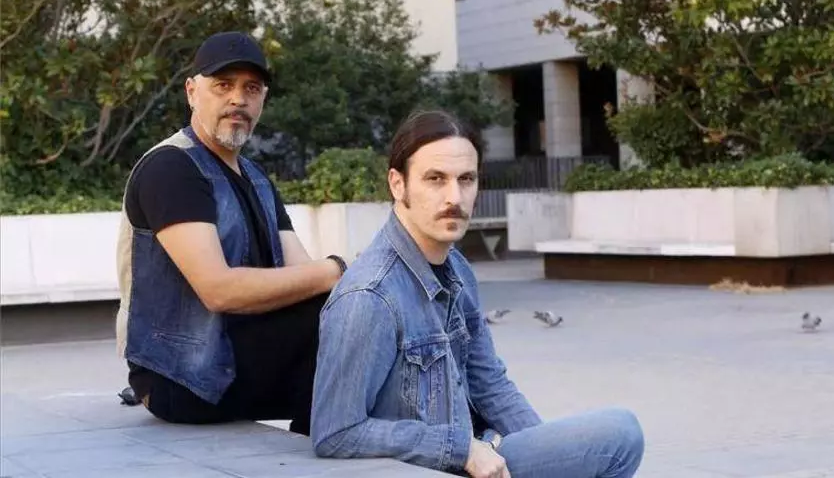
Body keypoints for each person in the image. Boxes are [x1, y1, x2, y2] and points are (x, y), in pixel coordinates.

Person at [309, 109, 645, 477]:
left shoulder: (457, 269)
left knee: (604, 443)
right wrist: (460, 449)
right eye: (435, 179)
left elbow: (491, 385)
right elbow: (335, 432)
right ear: (397, 183)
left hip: (476, 458)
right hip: (428, 468)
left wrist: (549, 449)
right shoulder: (369, 296)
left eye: (466, 179)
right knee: (620, 434)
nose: (454, 197)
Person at [114, 31, 346, 435]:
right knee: (337, 321)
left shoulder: (256, 178)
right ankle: (331, 435)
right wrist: (337, 269)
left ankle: (328, 431)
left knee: (349, 315)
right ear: (192, 92)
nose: (238, 99)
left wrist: (348, 286)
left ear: (263, 99)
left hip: (236, 353)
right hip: (180, 378)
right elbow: (218, 290)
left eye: (251, 88)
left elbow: (302, 274)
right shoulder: (171, 169)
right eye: (223, 85)